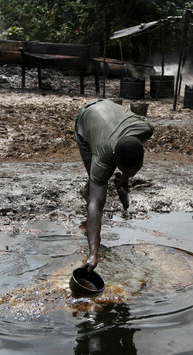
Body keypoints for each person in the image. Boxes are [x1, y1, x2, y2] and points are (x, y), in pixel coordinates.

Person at [74, 99, 154, 273]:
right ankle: (86, 191)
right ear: (114, 159)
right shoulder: (103, 159)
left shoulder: (145, 129)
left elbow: (130, 152)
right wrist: (93, 254)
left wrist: (125, 176)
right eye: (126, 171)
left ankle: (111, 179)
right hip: (87, 119)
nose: (132, 175)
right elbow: (97, 206)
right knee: (95, 188)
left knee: (102, 177)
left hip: (111, 110)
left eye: (135, 171)